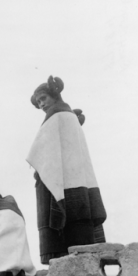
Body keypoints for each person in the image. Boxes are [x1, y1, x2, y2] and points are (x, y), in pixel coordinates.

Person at [27, 76, 107, 264]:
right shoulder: (70, 117)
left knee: (65, 242)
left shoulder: (55, 116)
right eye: (39, 102)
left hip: (64, 182)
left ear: (54, 96)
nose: (42, 105)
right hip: (78, 182)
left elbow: (43, 152)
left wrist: (40, 171)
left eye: (44, 98)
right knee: (80, 236)